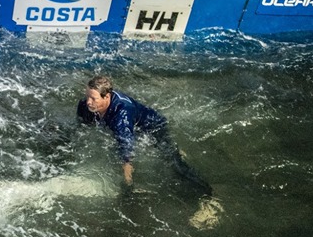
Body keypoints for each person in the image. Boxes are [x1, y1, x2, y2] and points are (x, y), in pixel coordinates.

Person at [77, 75, 213, 197]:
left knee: (174, 164)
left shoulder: (122, 115)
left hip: (154, 127)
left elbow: (126, 152)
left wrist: (127, 184)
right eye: (87, 96)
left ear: (107, 97)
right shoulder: (86, 105)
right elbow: (82, 127)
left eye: (93, 98)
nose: (88, 102)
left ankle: (207, 195)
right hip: (132, 124)